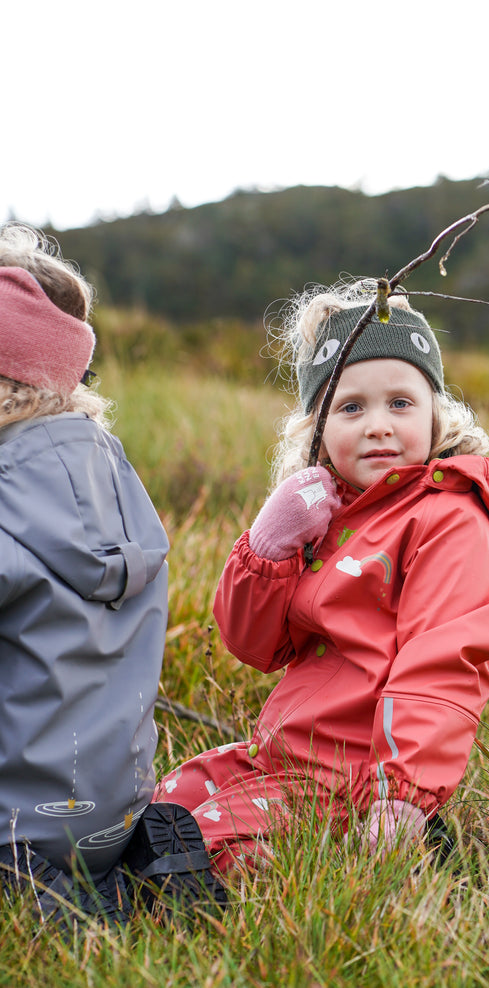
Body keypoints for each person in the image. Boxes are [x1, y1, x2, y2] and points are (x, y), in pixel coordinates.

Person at [154, 281, 489, 874]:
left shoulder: (450, 519)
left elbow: (441, 668)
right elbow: (255, 646)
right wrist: (270, 548)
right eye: (351, 407)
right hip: (284, 755)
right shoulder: (330, 513)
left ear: (438, 412)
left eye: (401, 403)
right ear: (318, 428)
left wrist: (400, 799)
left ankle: (375, 866)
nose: (378, 426)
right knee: (165, 807)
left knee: (207, 852)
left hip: (357, 779)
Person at [0, 223, 223, 927]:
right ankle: (136, 873)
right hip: (113, 819)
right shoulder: (113, 473)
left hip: (17, 826)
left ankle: (45, 902)